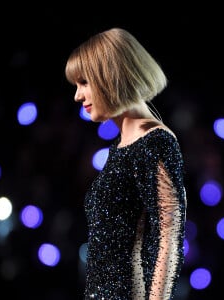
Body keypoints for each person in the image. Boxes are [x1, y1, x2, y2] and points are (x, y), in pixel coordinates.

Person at [65, 27, 187, 300]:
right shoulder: (120, 148)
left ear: (110, 76)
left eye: (84, 82)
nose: (77, 95)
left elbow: (169, 234)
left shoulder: (156, 142)